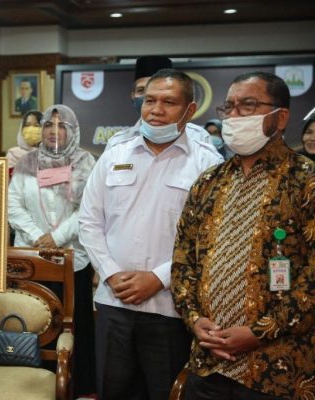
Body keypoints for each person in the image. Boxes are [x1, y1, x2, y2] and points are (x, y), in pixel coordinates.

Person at [78, 69, 223, 400]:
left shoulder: (207, 164)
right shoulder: (116, 153)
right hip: (113, 304)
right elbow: (89, 220)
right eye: (149, 100)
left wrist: (159, 278)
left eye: (169, 102)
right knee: (112, 391)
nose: (156, 110)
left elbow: (210, 240)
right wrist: (111, 274)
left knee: (165, 392)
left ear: (190, 109)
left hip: (170, 309)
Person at [171, 71, 315, 400]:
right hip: (207, 363)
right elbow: (183, 261)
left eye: (247, 106)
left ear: (280, 118)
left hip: (277, 369)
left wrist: (257, 332)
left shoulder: (306, 182)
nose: (234, 116)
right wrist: (194, 320)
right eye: (229, 108)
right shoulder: (209, 182)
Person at [8, 104, 97, 396]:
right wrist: (38, 237)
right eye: (48, 124)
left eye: (61, 126)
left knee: (72, 326)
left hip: (72, 257)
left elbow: (87, 209)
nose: (53, 131)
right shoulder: (26, 163)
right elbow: (13, 205)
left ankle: (73, 388)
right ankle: (30, 386)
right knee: (32, 324)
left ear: (72, 131)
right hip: (31, 259)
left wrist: (56, 237)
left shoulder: (86, 162)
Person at [106, 56, 212, 150]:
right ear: (132, 95)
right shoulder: (118, 142)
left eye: (168, 101)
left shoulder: (198, 136)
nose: (156, 109)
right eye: (142, 91)